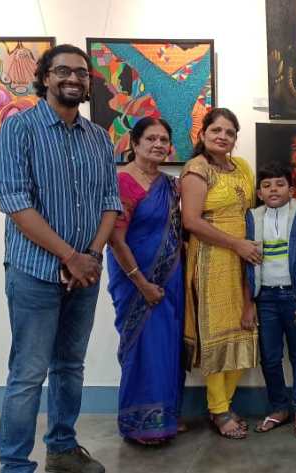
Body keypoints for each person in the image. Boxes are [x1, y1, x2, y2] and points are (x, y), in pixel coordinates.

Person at [0, 44, 117, 473]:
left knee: (70, 367)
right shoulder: (18, 130)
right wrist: (69, 256)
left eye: (81, 73)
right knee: (28, 374)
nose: (73, 79)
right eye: (63, 71)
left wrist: (91, 256)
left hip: (85, 275)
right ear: (45, 77)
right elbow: (15, 203)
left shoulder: (98, 137)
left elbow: (110, 201)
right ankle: (15, 465)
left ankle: (62, 449)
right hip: (35, 273)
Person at [179, 107, 259, 440]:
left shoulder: (242, 167)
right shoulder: (196, 169)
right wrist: (235, 244)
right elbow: (191, 221)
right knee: (216, 335)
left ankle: (223, 404)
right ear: (203, 134)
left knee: (244, 329)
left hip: (244, 257)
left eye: (229, 132)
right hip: (212, 259)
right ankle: (219, 409)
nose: (223, 137)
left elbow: (250, 211)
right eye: (216, 130)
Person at [105, 117, 186, 445]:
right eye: (151, 138)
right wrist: (141, 283)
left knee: (167, 346)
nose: (158, 145)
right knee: (143, 348)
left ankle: (166, 416)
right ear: (134, 143)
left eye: (164, 140)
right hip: (136, 281)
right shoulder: (122, 181)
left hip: (170, 279)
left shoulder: (171, 185)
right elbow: (115, 238)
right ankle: (140, 424)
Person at [245, 163, 296, 440]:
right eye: (266, 186)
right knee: (269, 357)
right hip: (265, 300)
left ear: (291, 190)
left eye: (280, 184)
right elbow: (247, 266)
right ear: (259, 193)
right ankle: (279, 408)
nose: (273, 190)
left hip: (295, 299)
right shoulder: (253, 219)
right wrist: (249, 303)